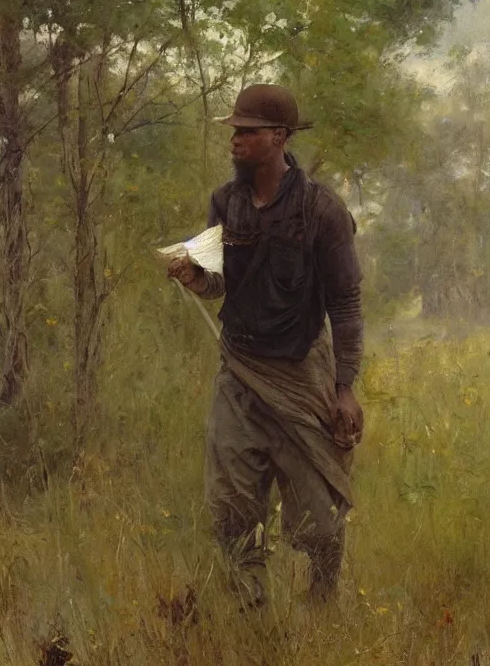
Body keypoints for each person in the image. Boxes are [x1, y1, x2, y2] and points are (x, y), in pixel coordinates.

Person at [167, 84, 364, 609]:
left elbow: (345, 304)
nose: (236, 139)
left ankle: (322, 601)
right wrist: (193, 274)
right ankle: (248, 609)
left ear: (278, 138)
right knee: (231, 506)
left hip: (302, 374)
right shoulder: (225, 203)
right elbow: (217, 282)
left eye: (247, 131)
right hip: (240, 372)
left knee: (319, 519)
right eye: (234, 130)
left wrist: (345, 389)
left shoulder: (323, 211)